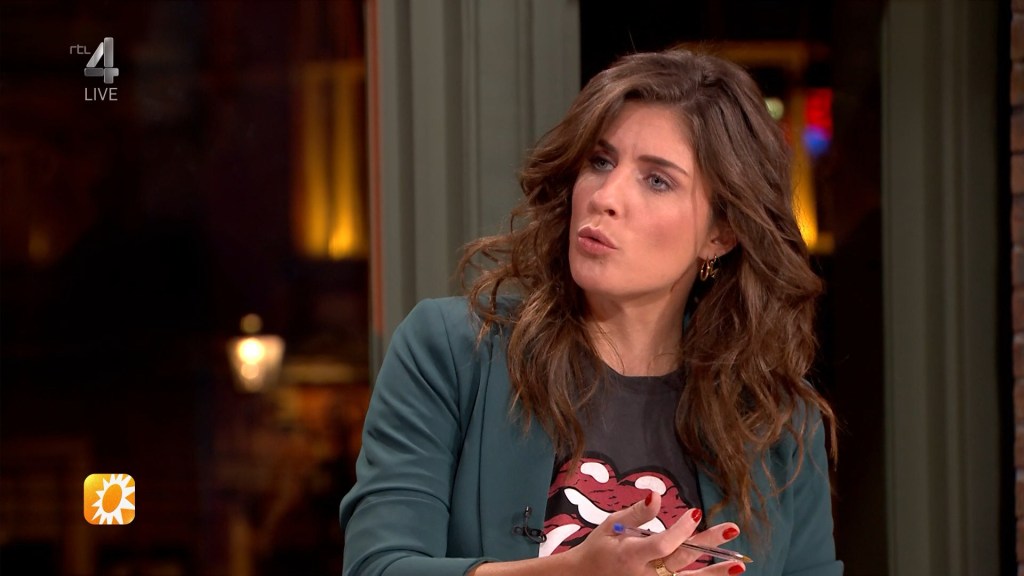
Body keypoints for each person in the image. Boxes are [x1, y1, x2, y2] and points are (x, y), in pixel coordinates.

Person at [339, 47, 842, 576]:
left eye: (657, 180)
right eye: (600, 162)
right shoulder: (452, 351)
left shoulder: (776, 419)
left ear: (720, 233)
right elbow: (378, 567)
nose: (606, 196)